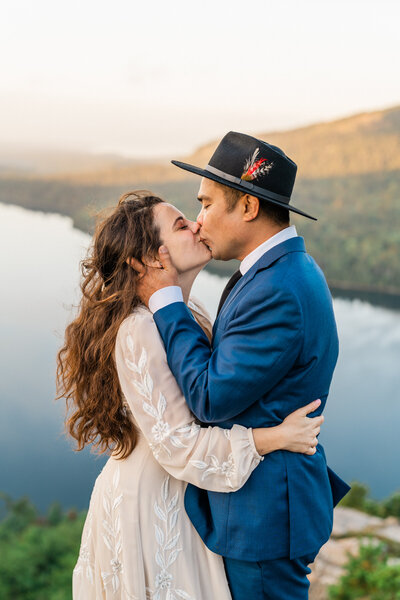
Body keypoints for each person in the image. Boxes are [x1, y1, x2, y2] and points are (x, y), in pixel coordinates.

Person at [56, 190, 324, 600]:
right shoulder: (140, 329)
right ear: (148, 259)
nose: (197, 223)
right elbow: (177, 442)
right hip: (151, 500)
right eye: (182, 224)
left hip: (189, 496)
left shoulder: (188, 309)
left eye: (197, 212)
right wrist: (274, 438)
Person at [130, 132, 351, 600]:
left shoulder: (277, 288)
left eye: (207, 203)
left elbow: (211, 397)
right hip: (260, 508)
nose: (199, 218)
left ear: (247, 208)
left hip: (262, 517)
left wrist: (166, 300)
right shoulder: (276, 272)